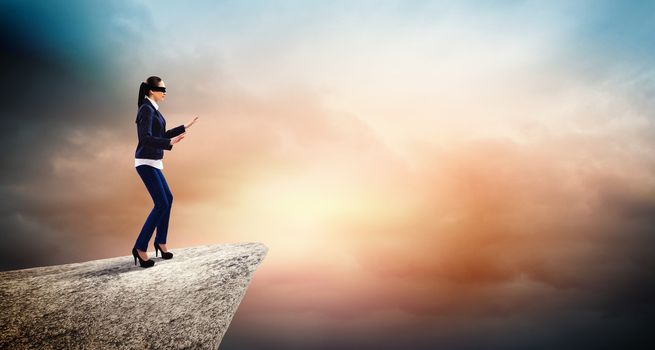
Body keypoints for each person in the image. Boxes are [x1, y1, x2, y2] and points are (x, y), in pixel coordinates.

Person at [131, 76, 199, 268]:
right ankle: (140, 247)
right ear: (151, 90)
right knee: (161, 203)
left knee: (167, 199)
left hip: (154, 162)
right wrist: (169, 143)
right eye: (162, 89)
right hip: (145, 162)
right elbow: (145, 138)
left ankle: (160, 242)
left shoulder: (153, 110)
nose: (165, 93)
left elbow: (160, 135)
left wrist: (183, 127)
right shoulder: (146, 109)